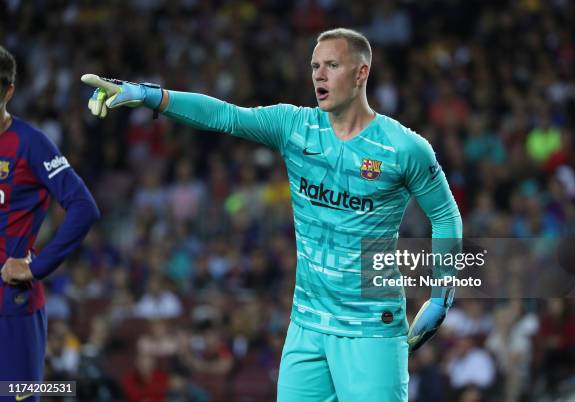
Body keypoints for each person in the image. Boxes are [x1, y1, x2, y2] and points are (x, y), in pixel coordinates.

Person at [82, 28, 461, 402]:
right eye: (315, 66)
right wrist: (148, 95)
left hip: (370, 329)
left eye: (332, 65)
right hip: (306, 325)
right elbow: (225, 116)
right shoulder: (294, 126)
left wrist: (443, 293)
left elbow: (445, 214)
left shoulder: (404, 148)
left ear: (361, 73)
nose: (319, 75)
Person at [0, 45, 100, 401]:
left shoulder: (31, 144)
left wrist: (37, 267)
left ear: (8, 92)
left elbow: (84, 207)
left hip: (11, 306)